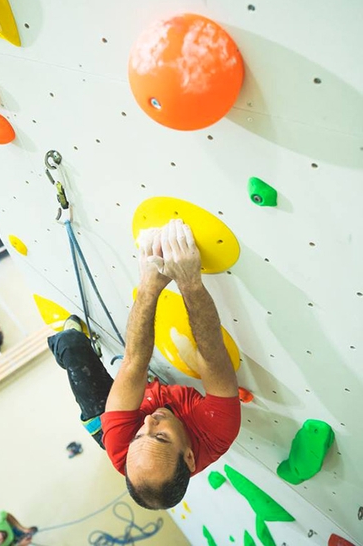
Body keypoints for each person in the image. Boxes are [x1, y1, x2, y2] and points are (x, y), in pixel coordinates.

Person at [49, 219, 241, 510]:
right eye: (161, 436)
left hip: (111, 424)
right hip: (142, 417)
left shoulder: (120, 445)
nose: (148, 420)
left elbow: (134, 363)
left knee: (71, 345)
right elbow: (212, 354)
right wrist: (190, 282)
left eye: (140, 434)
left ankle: (62, 342)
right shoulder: (216, 432)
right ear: (189, 457)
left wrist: (149, 285)